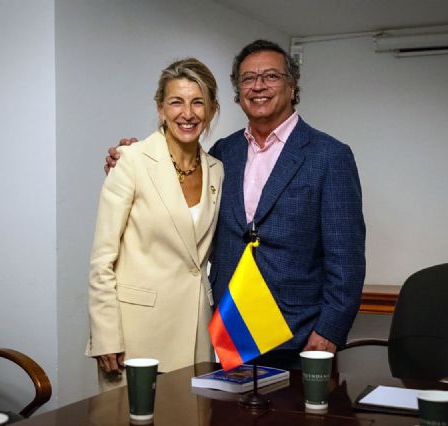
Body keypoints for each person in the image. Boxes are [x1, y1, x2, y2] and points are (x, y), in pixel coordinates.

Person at [105, 40, 365, 370]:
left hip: (298, 335)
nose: (258, 86)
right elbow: (176, 184)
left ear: (292, 85)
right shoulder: (222, 154)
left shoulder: (329, 156)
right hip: (229, 331)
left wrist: (330, 330)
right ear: (238, 91)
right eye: (248, 78)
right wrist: (130, 157)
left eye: (271, 76)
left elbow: (347, 259)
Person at [86, 58, 223, 390]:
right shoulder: (131, 160)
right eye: (176, 102)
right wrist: (105, 335)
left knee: (191, 414)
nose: (187, 113)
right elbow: (102, 259)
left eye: (198, 102)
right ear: (161, 109)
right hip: (135, 337)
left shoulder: (217, 169)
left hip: (195, 334)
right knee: (129, 415)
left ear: (211, 110)